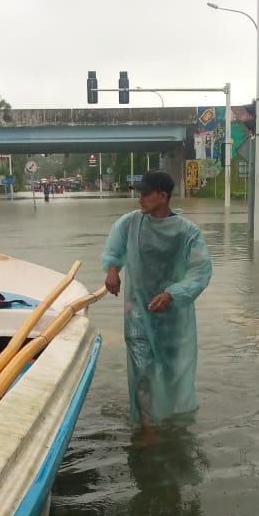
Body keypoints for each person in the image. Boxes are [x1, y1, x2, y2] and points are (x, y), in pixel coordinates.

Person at [102, 168, 212, 439]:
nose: (140, 199)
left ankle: (172, 423)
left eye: (146, 193)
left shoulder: (188, 233)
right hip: (137, 310)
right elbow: (114, 251)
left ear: (163, 196)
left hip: (172, 316)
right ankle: (148, 428)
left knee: (172, 371)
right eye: (139, 193)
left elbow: (200, 271)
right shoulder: (130, 224)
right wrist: (113, 270)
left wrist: (172, 293)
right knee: (141, 368)